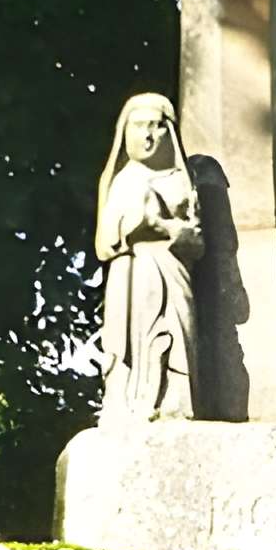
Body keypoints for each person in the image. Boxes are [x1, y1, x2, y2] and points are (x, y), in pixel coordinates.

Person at [95, 92, 203, 420]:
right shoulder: (123, 181)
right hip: (131, 276)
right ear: (125, 132)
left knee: (176, 333)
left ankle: (175, 400)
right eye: (140, 126)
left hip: (171, 270)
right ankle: (130, 400)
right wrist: (134, 226)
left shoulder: (182, 182)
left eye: (157, 126)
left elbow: (197, 242)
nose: (149, 135)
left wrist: (165, 227)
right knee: (132, 338)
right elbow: (105, 242)